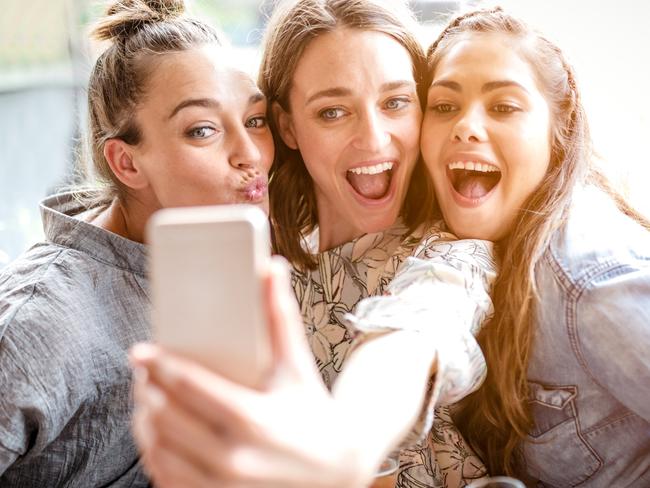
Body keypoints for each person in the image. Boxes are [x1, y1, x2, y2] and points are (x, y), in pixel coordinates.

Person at [132, 1, 496, 487]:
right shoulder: (261, 249)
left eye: (395, 103)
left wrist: (341, 448)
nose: (374, 138)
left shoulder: (452, 257)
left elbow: (412, 334)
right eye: (332, 112)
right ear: (287, 128)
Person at [0, 0, 273, 485]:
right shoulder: (38, 322)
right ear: (126, 163)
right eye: (202, 130)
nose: (250, 154)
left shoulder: (222, 257)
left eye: (255, 119)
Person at [420, 8, 650, 487]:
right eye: (444, 106)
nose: (466, 126)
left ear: (558, 128)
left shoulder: (587, 277)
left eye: (503, 107)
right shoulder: (457, 252)